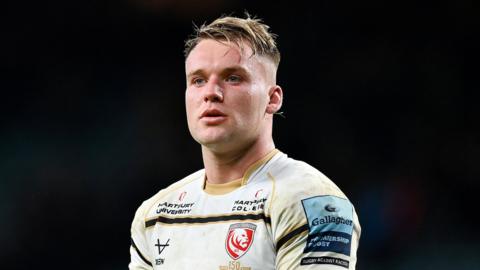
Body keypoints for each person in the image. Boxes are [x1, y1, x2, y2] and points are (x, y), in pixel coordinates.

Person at [129, 14, 361, 270]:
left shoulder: (312, 202)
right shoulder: (156, 215)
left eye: (233, 78)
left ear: (272, 99)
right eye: (198, 80)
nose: (211, 93)